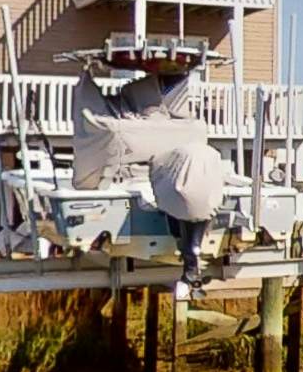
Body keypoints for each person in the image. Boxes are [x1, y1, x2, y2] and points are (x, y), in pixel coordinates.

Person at [72, 47, 231, 284]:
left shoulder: (127, 130)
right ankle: (191, 254)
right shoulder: (192, 143)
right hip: (180, 185)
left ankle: (190, 255)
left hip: (152, 176)